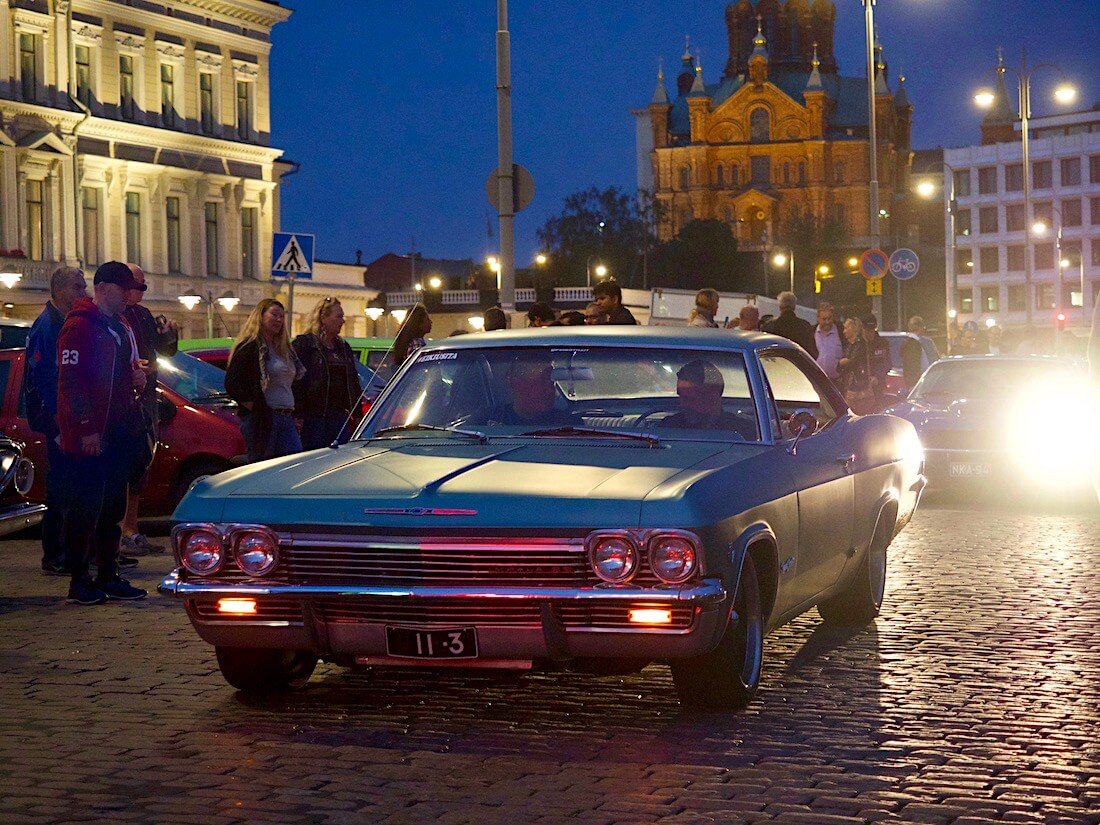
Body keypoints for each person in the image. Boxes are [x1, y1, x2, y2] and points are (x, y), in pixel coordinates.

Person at [55, 261, 149, 605]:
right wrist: (86, 428)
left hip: (118, 431)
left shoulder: (119, 327)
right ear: (105, 287)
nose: (129, 296)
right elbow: (71, 383)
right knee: (84, 509)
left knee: (111, 510)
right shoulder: (79, 326)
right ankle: (79, 580)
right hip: (89, 437)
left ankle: (108, 575)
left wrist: (136, 378)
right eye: (124, 289)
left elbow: (120, 374)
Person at [25, 266, 87, 575]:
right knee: (60, 486)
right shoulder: (48, 325)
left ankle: (66, 550)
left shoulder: (63, 322)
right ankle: (54, 554)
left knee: (70, 484)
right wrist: (56, 419)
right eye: (77, 287)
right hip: (56, 419)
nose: (83, 292)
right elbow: (45, 376)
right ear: (59, 289)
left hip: (64, 416)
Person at [119, 263, 178, 556]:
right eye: (138, 286)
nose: (142, 292)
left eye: (144, 287)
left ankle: (131, 528)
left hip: (146, 397)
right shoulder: (115, 315)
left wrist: (168, 334)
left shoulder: (141, 315)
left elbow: (164, 351)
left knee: (141, 463)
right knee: (126, 465)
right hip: (126, 401)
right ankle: (122, 531)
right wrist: (136, 367)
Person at [225, 299, 305, 462]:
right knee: (264, 468)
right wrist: (254, 406)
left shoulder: (285, 349)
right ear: (260, 316)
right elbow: (233, 383)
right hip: (263, 419)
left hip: (286, 416)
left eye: (282, 316)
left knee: (294, 463)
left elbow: (294, 380)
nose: (278, 320)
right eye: (274, 315)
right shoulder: (250, 346)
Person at [292, 297, 363, 450]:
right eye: (338, 316)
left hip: (339, 417)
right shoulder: (306, 344)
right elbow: (297, 381)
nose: (343, 321)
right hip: (313, 417)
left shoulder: (343, 347)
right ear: (323, 318)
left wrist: (357, 413)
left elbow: (352, 381)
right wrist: (298, 413)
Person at [661, 359, 751, 436]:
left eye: (690, 398)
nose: (683, 404)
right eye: (681, 396)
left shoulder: (743, 430)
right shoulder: (669, 428)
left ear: (713, 396)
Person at [496, 353, 572, 426]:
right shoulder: (492, 422)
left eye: (551, 382)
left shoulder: (569, 426)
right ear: (516, 383)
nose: (550, 390)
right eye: (543, 381)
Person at [837, 316, 875, 414]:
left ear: (854, 328)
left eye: (846, 328)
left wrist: (841, 363)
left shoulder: (859, 344)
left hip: (858, 386)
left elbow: (852, 362)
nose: (844, 331)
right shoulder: (850, 345)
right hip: (853, 385)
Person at [763, 291, 818, 358]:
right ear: (794, 307)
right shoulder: (805, 326)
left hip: (777, 365)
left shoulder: (770, 325)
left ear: (780, 307)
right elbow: (814, 352)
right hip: (798, 364)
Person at [862, 314, 890, 408]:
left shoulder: (882, 343)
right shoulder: (860, 345)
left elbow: (887, 363)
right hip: (862, 388)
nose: (868, 333)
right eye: (866, 329)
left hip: (878, 387)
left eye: (871, 330)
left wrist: (877, 377)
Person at [813, 303, 844, 382]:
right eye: (824, 319)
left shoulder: (841, 331)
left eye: (829, 318)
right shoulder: (811, 333)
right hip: (818, 381)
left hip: (837, 382)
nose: (827, 322)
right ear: (818, 319)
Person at [900, 315, 928, 390]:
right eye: (923, 327)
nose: (924, 329)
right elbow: (912, 366)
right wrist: (913, 384)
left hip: (917, 382)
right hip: (916, 384)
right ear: (919, 327)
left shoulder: (911, 343)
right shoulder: (913, 345)